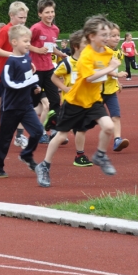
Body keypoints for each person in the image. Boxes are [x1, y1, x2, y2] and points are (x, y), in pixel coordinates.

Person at [35, 15, 121, 187]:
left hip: (94, 101)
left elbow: (105, 66)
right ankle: (44, 165)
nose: (108, 38)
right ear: (92, 37)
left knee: (109, 126)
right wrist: (111, 68)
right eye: (103, 35)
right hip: (75, 102)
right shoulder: (86, 56)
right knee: (61, 136)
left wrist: (115, 74)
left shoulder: (107, 52)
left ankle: (100, 155)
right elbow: (90, 77)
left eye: (109, 35)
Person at [0, 25, 42, 177]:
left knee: (38, 131)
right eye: (25, 41)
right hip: (10, 107)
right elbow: (9, 83)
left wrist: (34, 85)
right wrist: (30, 82)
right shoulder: (10, 62)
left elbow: (27, 78)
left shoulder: (27, 58)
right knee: (5, 138)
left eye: (29, 41)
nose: (28, 44)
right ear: (14, 42)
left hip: (26, 106)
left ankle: (26, 154)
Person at [0, 2, 29, 151]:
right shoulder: (5, 30)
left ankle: (19, 135)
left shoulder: (24, 32)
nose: (23, 20)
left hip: (19, 74)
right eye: (20, 17)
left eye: (25, 17)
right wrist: (12, 55)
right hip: (2, 75)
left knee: (22, 105)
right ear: (11, 16)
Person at [51, 30, 92, 166]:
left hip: (83, 102)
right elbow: (54, 77)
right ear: (76, 46)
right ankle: (46, 162)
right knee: (62, 135)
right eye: (85, 43)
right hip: (69, 103)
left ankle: (80, 155)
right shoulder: (67, 63)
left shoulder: (88, 61)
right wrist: (64, 88)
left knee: (81, 129)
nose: (88, 45)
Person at [29, 0, 66, 141]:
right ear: (40, 14)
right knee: (33, 102)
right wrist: (37, 49)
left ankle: (55, 130)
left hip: (49, 68)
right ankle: (35, 131)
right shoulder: (36, 28)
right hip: (35, 70)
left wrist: (60, 53)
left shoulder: (55, 29)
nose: (50, 15)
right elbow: (26, 44)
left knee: (55, 100)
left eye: (52, 12)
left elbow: (51, 47)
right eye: (47, 12)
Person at [103, 23, 130, 152]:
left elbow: (114, 68)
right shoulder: (101, 52)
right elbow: (104, 69)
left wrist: (117, 81)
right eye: (113, 36)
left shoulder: (119, 53)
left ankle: (117, 140)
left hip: (110, 90)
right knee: (87, 119)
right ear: (105, 37)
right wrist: (116, 74)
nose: (116, 38)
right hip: (97, 91)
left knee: (116, 116)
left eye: (118, 35)